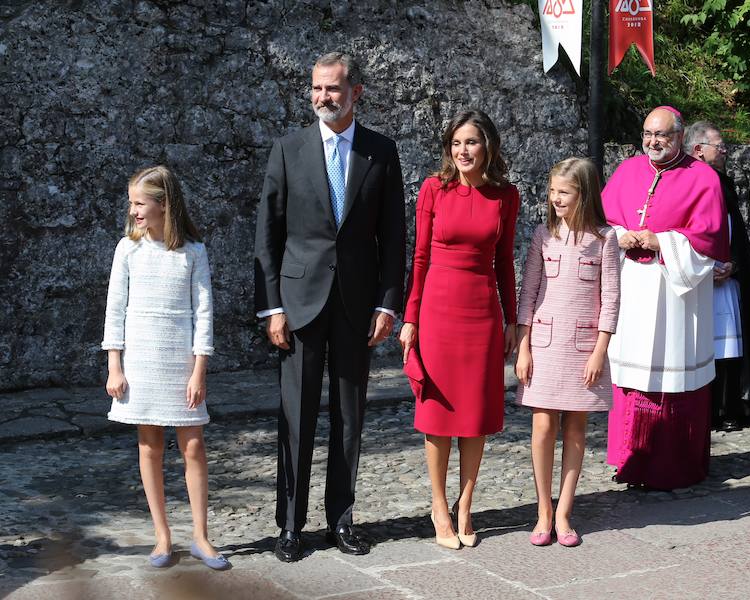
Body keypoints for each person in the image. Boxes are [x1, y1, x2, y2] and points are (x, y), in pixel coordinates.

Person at [254, 52, 405, 561]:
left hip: (357, 307)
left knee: (349, 416)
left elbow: (393, 238)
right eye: (317, 89)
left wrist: (387, 307)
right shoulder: (288, 150)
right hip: (297, 306)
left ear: (355, 92)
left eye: (333, 90)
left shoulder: (381, 153)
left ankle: (341, 519)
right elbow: (267, 238)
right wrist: (271, 308)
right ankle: (290, 526)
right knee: (295, 418)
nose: (323, 98)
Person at [399, 109, 519, 549]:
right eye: (456, 143)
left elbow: (504, 261)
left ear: (487, 146)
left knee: (475, 415)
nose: (463, 151)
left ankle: (466, 504)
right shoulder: (434, 188)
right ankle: (438, 505)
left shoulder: (506, 196)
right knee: (438, 413)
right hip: (437, 312)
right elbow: (420, 258)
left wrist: (512, 320)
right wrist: (410, 317)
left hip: (482, 313)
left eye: (471, 142)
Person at [102, 166, 229, 570]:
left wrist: (199, 371)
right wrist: (114, 366)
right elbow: (115, 309)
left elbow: (203, 313)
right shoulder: (128, 249)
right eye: (132, 203)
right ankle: (161, 536)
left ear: (163, 204)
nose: (133, 210)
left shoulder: (194, 252)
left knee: (193, 445)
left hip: (180, 361)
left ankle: (201, 537)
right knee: (149, 446)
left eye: (140, 203)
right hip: (140, 360)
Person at [601, 106, 729, 490]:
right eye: (648, 134)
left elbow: (709, 239)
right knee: (630, 375)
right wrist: (619, 235)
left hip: (676, 294)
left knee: (672, 377)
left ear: (680, 137)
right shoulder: (627, 171)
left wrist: (662, 240)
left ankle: (673, 466)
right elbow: (601, 218)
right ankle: (629, 459)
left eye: (662, 136)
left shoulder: (703, 178)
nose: (653, 142)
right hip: (633, 289)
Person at [514, 158, 620, 547]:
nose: (555, 198)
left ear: (584, 194)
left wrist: (599, 351)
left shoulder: (605, 239)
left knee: (576, 428)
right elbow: (528, 295)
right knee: (542, 425)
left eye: (564, 192)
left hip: (583, 348)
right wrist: (523, 347)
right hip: (544, 346)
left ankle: (564, 512)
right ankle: (542, 509)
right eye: (552, 191)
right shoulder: (544, 234)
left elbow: (610, 299)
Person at [684, 121, 750, 431]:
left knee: (729, 347)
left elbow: (736, 235)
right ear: (698, 150)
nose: (725, 151)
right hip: (698, 280)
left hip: (725, 278)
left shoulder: (724, 184)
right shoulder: (688, 183)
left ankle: (728, 407)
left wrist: (734, 264)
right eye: (719, 146)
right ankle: (705, 409)